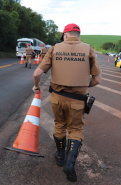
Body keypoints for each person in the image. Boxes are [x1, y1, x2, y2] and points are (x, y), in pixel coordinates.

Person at [32, 23, 101, 182]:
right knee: (76, 128)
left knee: (59, 124)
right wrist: (84, 85)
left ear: (65, 35)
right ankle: (70, 162)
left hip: (57, 98)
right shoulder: (89, 49)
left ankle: (61, 156)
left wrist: (36, 87)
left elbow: (37, 73)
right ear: (79, 36)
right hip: (78, 100)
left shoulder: (54, 48)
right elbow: (97, 79)